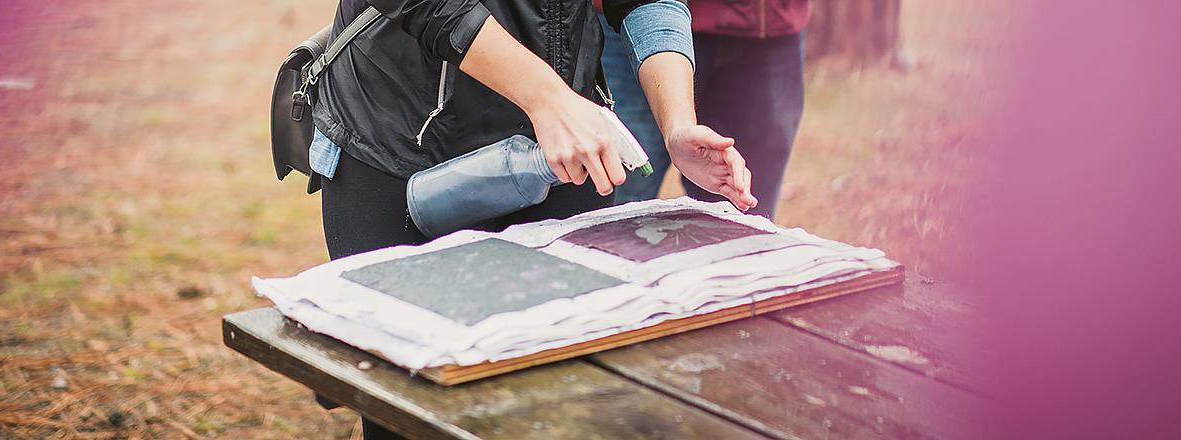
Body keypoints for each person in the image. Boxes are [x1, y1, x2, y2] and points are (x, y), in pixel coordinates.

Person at [302, 0, 756, 437]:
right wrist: (548, 98)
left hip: (560, 151)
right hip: (399, 140)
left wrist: (677, 123)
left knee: (561, 397)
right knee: (407, 403)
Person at [601, 0, 808, 220]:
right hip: (637, 17)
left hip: (771, 26)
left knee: (742, 222)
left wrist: (678, 128)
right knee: (618, 213)